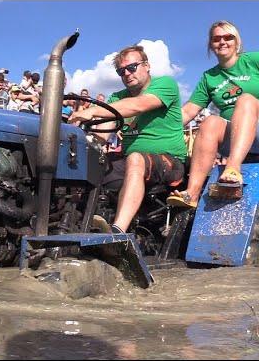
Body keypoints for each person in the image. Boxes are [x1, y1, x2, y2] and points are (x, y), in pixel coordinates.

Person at [168, 20, 259, 208]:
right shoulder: (209, 77)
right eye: (216, 39)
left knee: (245, 100)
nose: (222, 42)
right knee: (210, 122)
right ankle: (192, 193)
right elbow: (189, 110)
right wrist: (160, 127)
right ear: (210, 45)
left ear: (237, 42)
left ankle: (233, 168)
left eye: (228, 37)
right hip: (235, 135)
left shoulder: (257, 60)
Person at [68, 45, 187, 234]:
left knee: (135, 158)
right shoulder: (117, 97)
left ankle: (117, 233)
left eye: (132, 67)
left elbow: (139, 105)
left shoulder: (165, 84)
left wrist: (93, 110)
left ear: (146, 66)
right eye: (121, 71)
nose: (127, 74)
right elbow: (105, 126)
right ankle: (72, 222)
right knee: (88, 164)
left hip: (170, 162)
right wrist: (90, 145)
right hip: (131, 161)